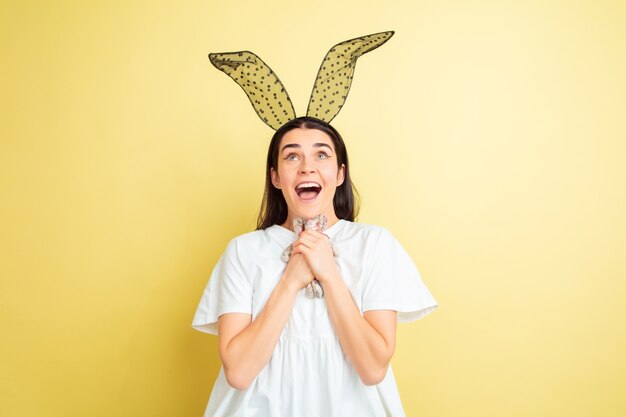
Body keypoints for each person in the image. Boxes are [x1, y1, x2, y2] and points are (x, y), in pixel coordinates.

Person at [192, 116, 438, 416]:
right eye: (292, 156)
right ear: (276, 177)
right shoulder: (243, 251)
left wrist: (329, 274)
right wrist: (290, 281)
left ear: (339, 174)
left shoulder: (374, 244)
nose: (307, 166)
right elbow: (239, 373)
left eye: (321, 154)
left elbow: (373, 369)